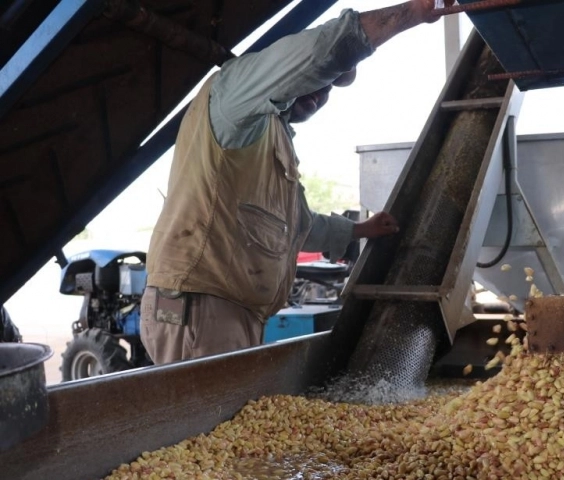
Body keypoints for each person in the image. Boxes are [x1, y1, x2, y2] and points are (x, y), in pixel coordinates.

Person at [140, 0, 453, 364]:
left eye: (328, 90)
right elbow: (324, 49)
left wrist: (360, 230)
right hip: (202, 303)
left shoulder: (271, 133)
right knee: (206, 420)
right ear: (287, 70)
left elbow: (297, 225)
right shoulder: (234, 92)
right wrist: (412, 14)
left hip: (231, 308)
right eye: (317, 82)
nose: (320, 96)